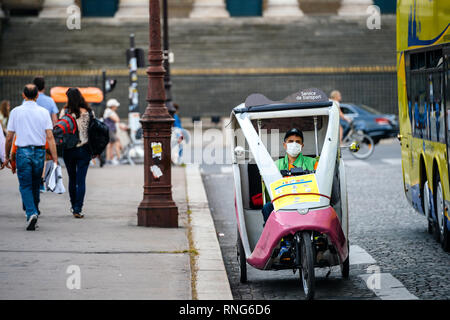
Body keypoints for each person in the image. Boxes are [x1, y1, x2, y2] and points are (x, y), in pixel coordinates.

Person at [1, 84, 58, 231]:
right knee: (36, 183)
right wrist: (55, 157)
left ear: (23, 95)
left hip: (23, 152)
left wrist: (6, 156)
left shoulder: (16, 111)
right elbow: (50, 136)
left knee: (25, 185)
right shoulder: (44, 112)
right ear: (37, 95)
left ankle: (31, 212)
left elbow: (9, 137)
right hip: (39, 153)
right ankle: (35, 210)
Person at [261, 128, 318, 224]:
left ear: (302, 146)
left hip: (308, 200)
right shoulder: (275, 165)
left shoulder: (313, 162)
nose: (294, 144)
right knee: (267, 208)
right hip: (283, 201)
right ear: (284, 145)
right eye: (291, 141)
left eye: (298, 142)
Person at [61, 88, 94, 218]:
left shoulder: (65, 112)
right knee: (81, 180)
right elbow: (93, 131)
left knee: (72, 178)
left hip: (68, 149)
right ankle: (77, 208)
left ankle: (73, 203)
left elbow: (61, 129)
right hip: (84, 149)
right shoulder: (89, 112)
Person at [103, 98, 126, 165]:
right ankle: (119, 158)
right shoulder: (109, 111)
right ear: (112, 106)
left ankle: (108, 159)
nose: (116, 107)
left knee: (110, 144)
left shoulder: (108, 111)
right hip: (110, 130)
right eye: (115, 106)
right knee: (116, 142)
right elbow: (117, 119)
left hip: (109, 130)